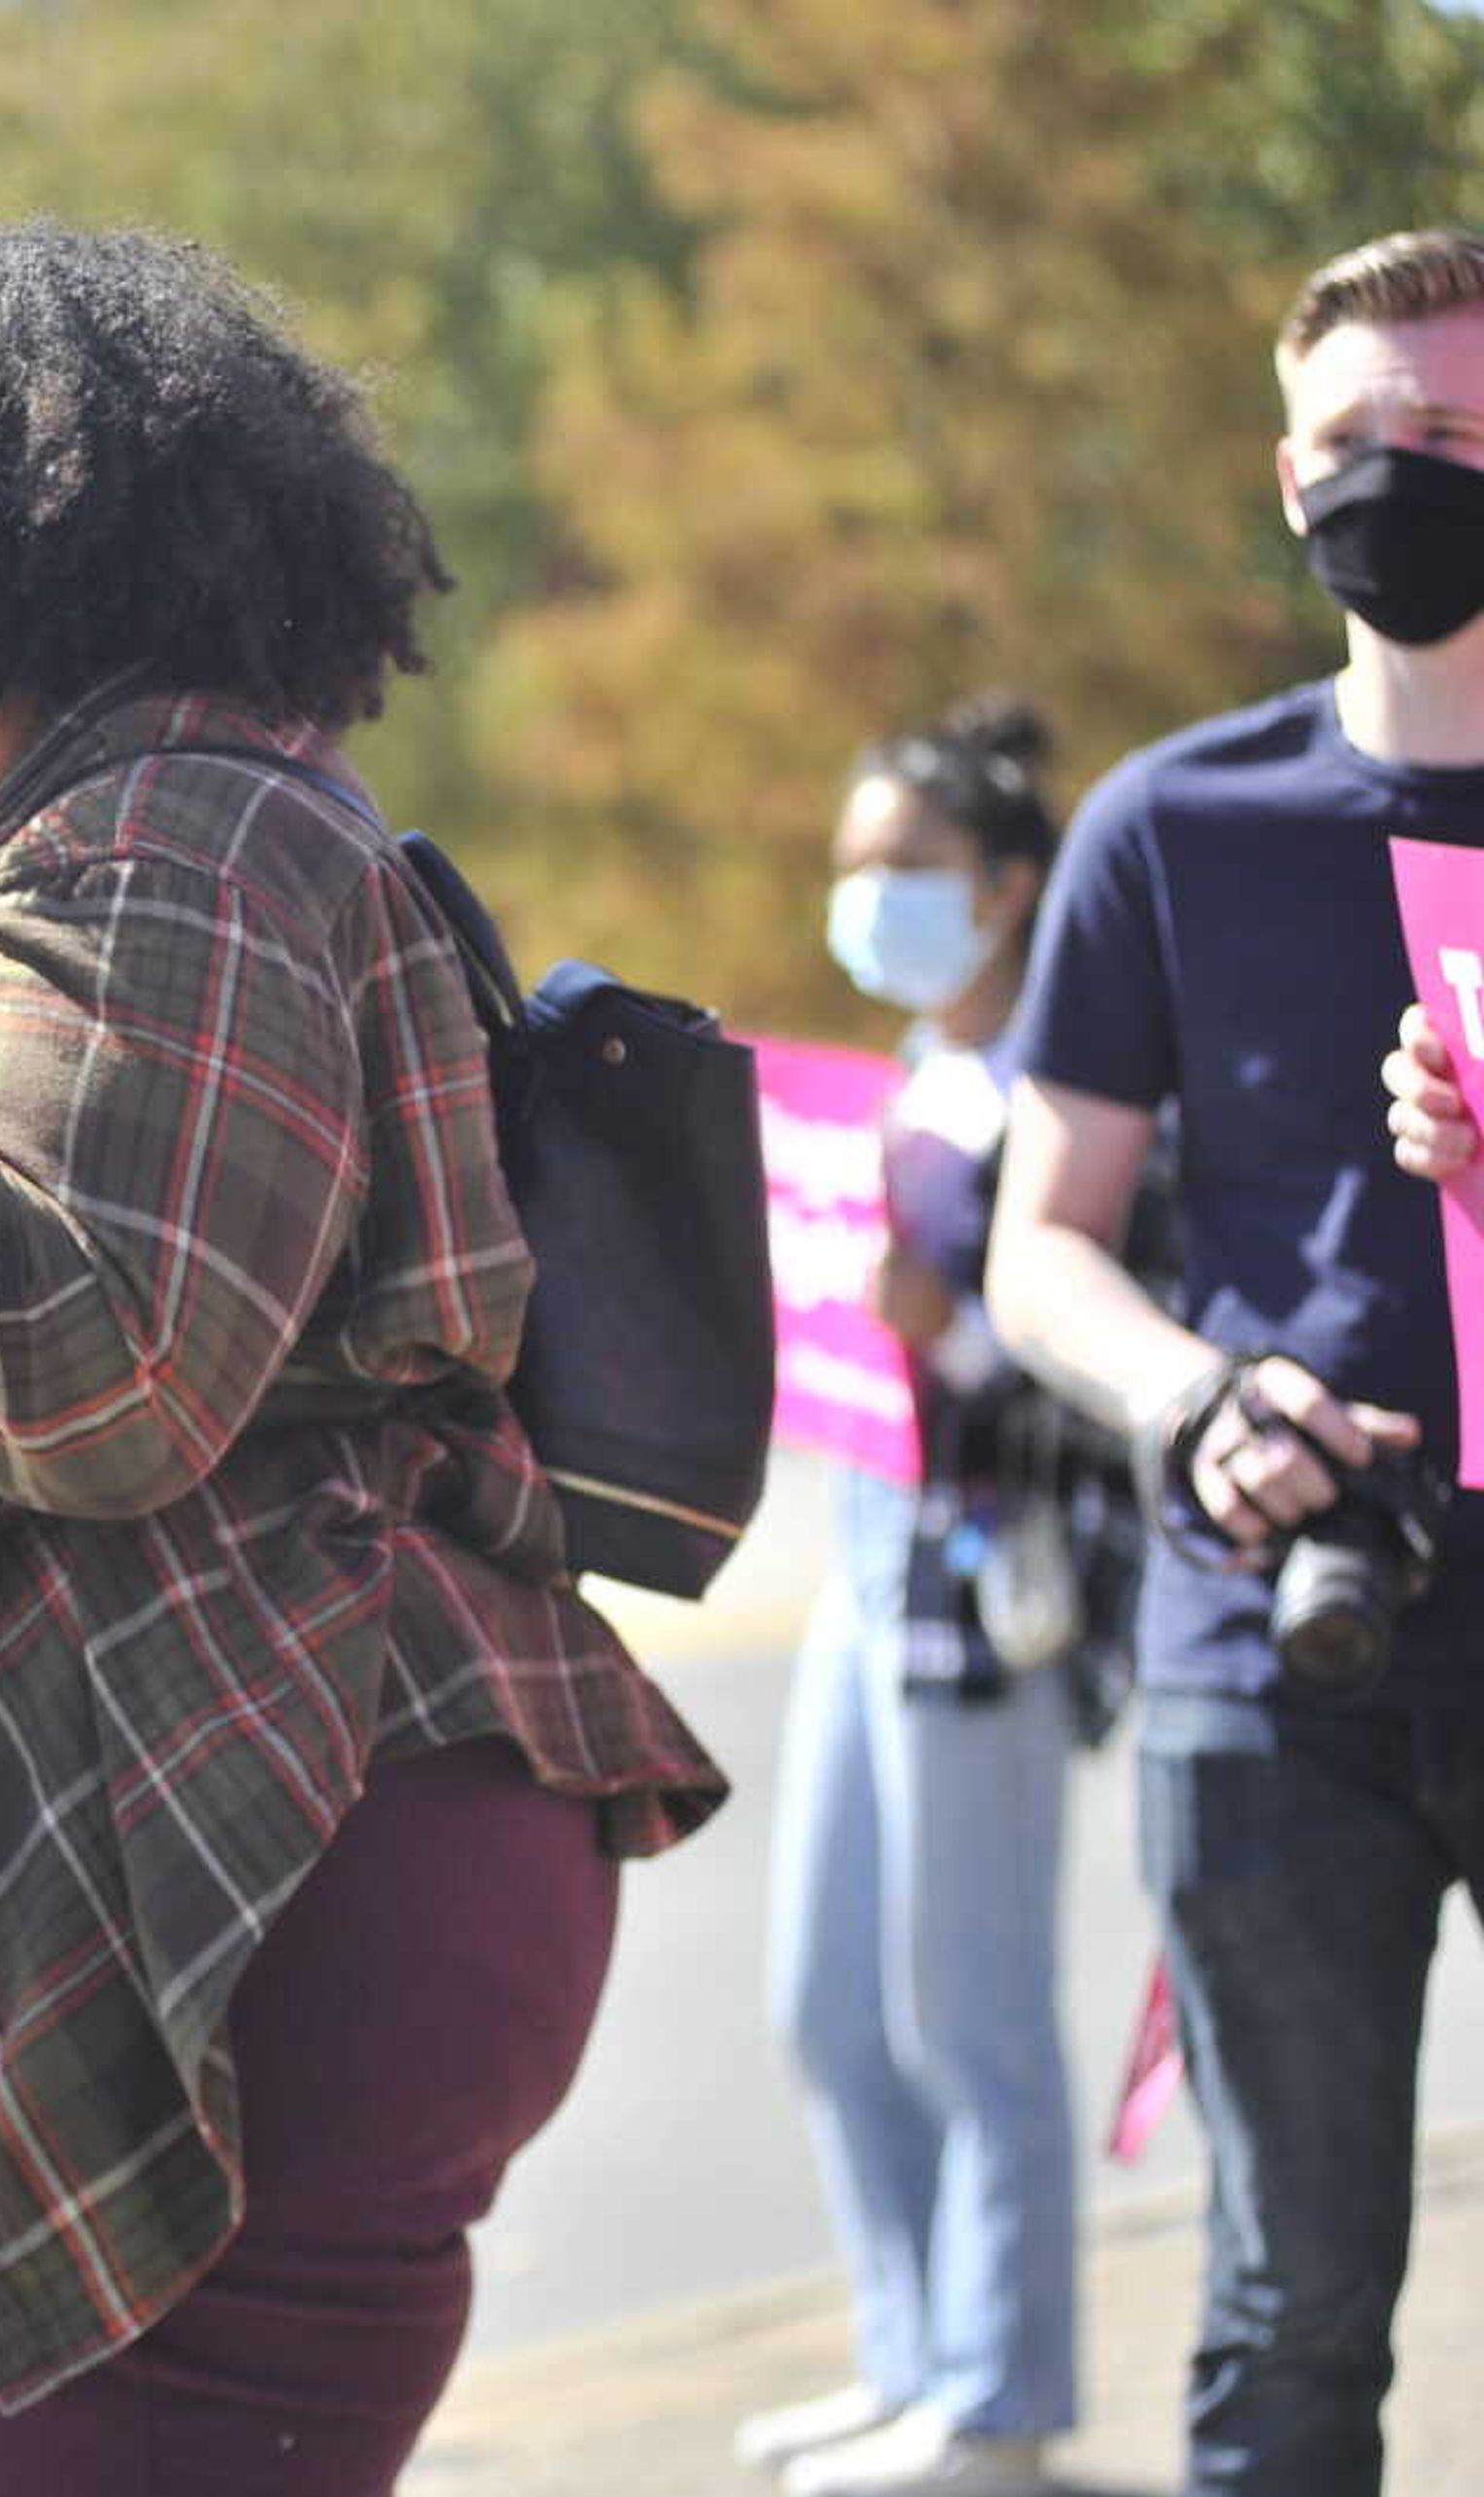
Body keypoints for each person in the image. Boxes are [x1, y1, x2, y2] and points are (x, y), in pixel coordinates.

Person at [0, 224, 729, 2497]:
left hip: (196, 1903)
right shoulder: (82, 848)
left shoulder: (167, 828)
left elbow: (92, 1367)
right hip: (136, 1901)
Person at [985, 229, 1484, 2497]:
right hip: (1276, 1647)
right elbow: (1042, 1249)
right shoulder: (1167, 826)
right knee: (1290, 2320)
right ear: (1286, 482)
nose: (1405, 479)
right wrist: (1203, 1399)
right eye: (1361, 441)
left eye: (1458, 439)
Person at [740, 699, 1122, 2496]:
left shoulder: (1075, 1079)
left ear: (1013, 884)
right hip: (869, 1563)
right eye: (857, 870)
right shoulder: (902, 1072)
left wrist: (947, 1327)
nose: (875, 898)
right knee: (828, 1996)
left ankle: (1002, 2398)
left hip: (992, 1587)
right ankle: (915, 2361)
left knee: (967, 2010)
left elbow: (1100, 1345)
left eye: (914, 869)